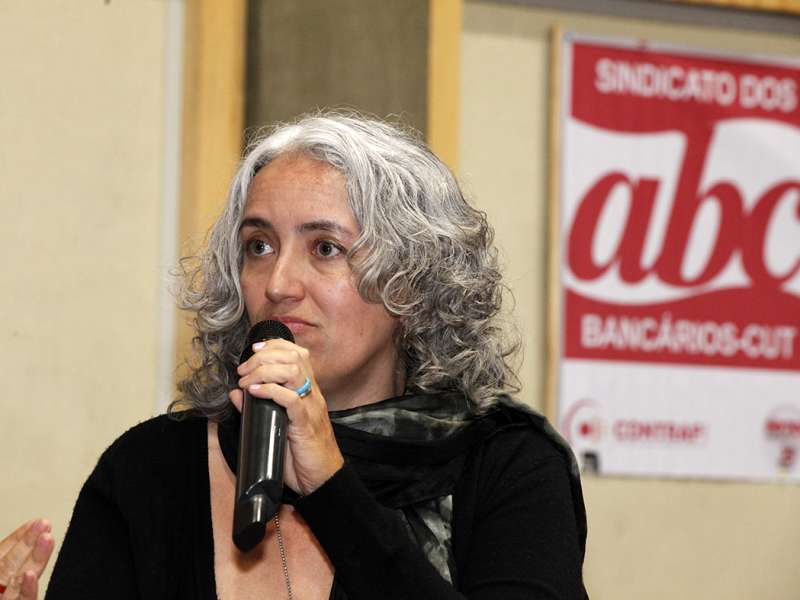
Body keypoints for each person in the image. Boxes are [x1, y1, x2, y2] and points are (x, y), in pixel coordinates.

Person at [4, 112, 588, 599]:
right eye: (259, 246)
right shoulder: (150, 469)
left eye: (325, 248)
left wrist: (332, 486)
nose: (279, 283)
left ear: (412, 281)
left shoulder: (508, 465)